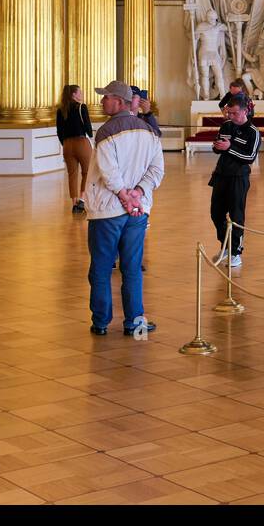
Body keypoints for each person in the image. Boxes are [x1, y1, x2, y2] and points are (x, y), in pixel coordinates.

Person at [85, 81, 164, 336]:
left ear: (118, 101)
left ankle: (101, 321)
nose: (101, 101)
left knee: (101, 266)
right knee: (131, 267)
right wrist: (138, 193)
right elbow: (157, 170)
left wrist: (124, 195)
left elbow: (109, 172)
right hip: (138, 211)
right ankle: (134, 320)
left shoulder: (107, 132)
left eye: (105, 97)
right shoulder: (148, 131)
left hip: (108, 211)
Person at [211, 94, 261, 267]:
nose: (230, 116)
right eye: (228, 113)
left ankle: (236, 252)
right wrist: (217, 146)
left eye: (234, 113)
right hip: (220, 175)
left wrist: (229, 147)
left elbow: (249, 157)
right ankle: (225, 245)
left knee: (236, 215)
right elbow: (218, 149)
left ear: (245, 111)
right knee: (216, 213)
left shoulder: (253, 132)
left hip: (238, 179)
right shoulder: (226, 125)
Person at [55, 84, 94, 213]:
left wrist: (65, 143)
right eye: (79, 92)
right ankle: (82, 201)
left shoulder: (61, 110)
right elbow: (88, 127)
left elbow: (59, 131)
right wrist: (89, 134)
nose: (81, 94)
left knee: (72, 175)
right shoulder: (81, 107)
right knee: (86, 173)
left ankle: (74, 203)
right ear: (74, 95)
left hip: (67, 145)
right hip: (81, 142)